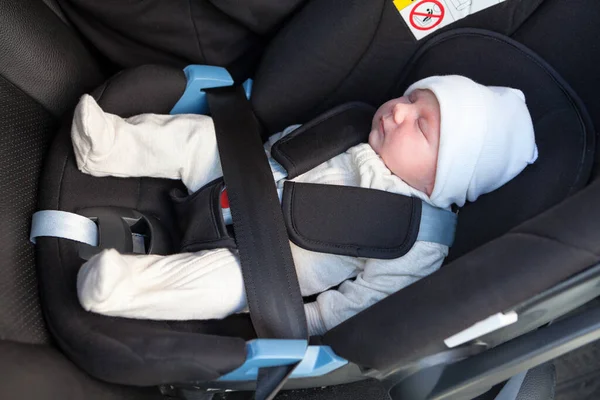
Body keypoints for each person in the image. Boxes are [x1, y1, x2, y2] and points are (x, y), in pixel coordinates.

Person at [72, 75, 538, 335]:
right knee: (200, 140)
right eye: (411, 97)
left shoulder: (418, 240)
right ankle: (111, 145)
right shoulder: (357, 129)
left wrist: (303, 322)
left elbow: (362, 302)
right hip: (239, 179)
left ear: (449, 175)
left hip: (261, 267)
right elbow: (286, 146)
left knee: (215, 287)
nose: (397, 110)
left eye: (421, 125)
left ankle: (121, 287)